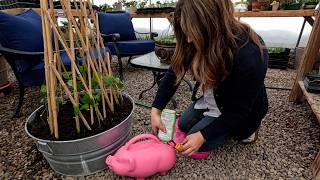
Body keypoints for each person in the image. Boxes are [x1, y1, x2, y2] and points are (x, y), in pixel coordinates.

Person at [150, 0, 269, 158]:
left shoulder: (249, 54)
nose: (188, 40)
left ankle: (250, 129)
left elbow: (239, 110)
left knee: (198, 143)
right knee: (184, 124)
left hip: (237, 108)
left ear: (212, 23)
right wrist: (156, 109)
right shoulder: (194, 38)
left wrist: (202, 136)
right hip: (215, 97)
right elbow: (174, 72)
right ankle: (211, 118)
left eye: (191, 32)